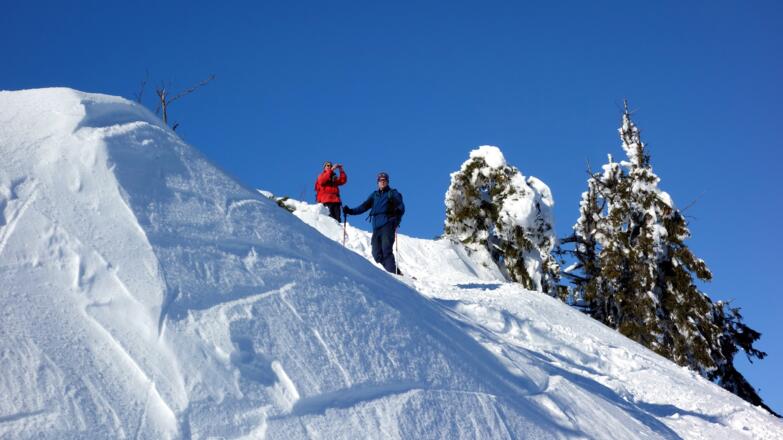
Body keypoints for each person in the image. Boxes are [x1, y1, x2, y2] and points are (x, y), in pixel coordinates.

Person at [343, 172, 405, 274]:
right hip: (376, 228)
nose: (382, 182)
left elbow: (401, 206)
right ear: (378, 182)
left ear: (387, 182)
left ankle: (394, 276)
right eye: (380, 180)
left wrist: (397, 213)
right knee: (376, 254)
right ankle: (395, 273)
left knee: (386, 250)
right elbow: (363, 206)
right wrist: (350, 211)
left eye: (384, 180)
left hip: (387, 225)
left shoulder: (392, 193)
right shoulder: (374, 195)